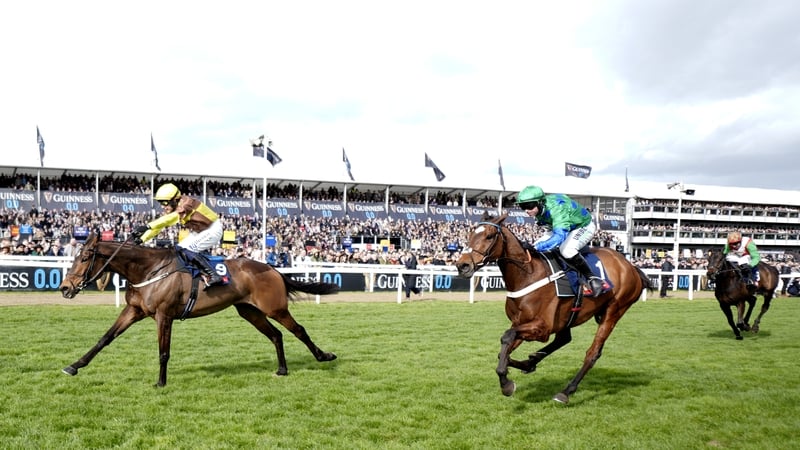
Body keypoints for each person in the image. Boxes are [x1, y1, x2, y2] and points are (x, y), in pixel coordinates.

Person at [515, 185, 606, 297]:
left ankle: (592, 278)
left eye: (529, 206)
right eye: (522, 206)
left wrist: (537, 247)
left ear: (540, 202)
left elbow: (559, 237)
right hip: (564, 226)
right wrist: (535, 246)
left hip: (583, 226)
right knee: (534, 246)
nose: (526, 210)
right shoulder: (540, 209)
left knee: (566, 250)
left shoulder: (556, 210)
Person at [131, 183, 224, 289]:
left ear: (174, 200)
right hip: (202, 230)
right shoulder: (177, 206)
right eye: (161, 203)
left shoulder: (186, 205)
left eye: (165, 203)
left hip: (212, 229)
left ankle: (214, 275)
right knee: (179, 249)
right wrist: (142, 239)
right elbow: (161, 225)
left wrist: (147, 226)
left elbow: (166, 220)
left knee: (187, 250)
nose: (163, 206)